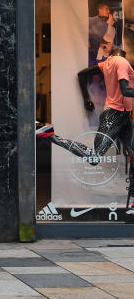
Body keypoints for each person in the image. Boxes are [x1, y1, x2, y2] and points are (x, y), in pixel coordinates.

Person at [51, 47, 134, 210]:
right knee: (94, 158)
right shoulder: (122, 62)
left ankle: (132, 202)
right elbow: (125, 90)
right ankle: (53, 137)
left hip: (124, 115)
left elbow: (82, 74)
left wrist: (86, 100)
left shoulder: (108, 63)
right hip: (114, 115)